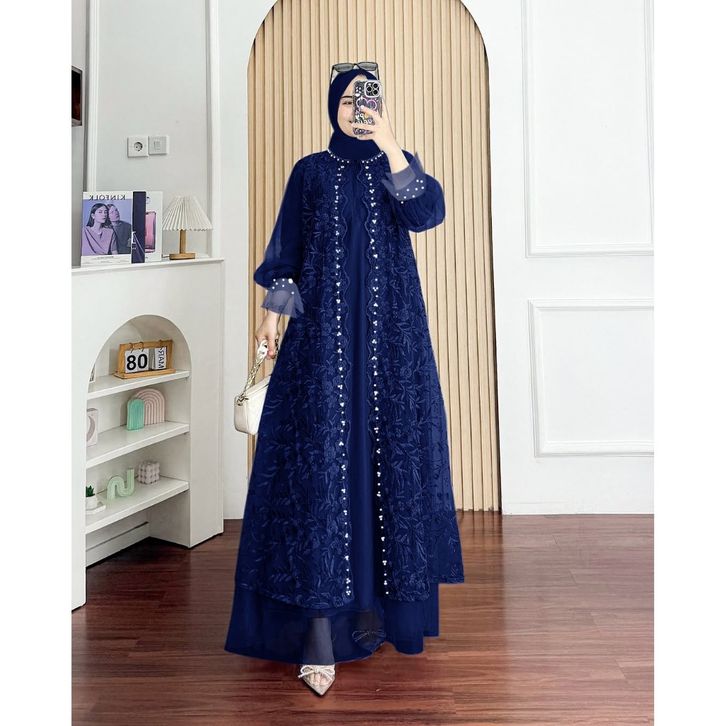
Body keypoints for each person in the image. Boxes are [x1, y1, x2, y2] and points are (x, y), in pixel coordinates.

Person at [224, 64, 464, 696]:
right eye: (348, 98)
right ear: (332, 105)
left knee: (384, 466)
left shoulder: (398, 165)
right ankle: (318, 638)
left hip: (391, 345)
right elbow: (288, 253)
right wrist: (272, 318)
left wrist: (390, 143)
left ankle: (377, 617)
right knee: (322, 475)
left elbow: (427, 214)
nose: (358, 106)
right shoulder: (310, 171)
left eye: (368, 97)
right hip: (323, 343)